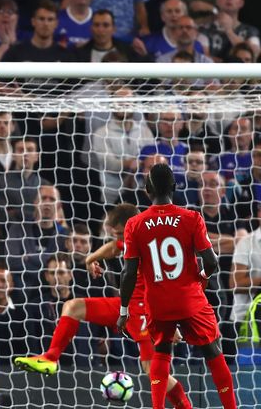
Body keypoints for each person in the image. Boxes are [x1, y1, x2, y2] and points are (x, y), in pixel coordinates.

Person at [14, 203, 193, 409]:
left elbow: (173, 286)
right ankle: (50, 358)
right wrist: (91, 258)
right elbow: (113, 248)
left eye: (119, 233)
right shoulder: (132, 237)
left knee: (153, 371)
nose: (118, 237)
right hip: (126, 306)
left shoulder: (155, 247)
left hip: (146, 311)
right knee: (73, 307)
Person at [117, 163, 236, 409]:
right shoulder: (192, 218)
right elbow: (211, 262)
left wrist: (124, 311)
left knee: (160, 350)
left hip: (158, 303)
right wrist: (202, 277)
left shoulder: (134, 224)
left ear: (147, 190)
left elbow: (128, 273)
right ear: (174, 187)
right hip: (189, 299)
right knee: (212, 350)